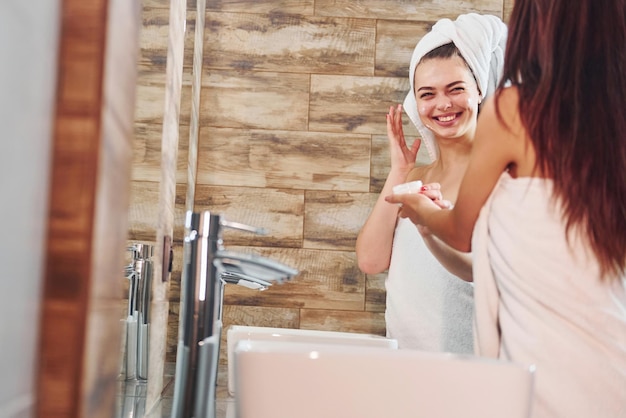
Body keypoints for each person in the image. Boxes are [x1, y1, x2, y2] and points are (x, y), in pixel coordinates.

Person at [386, 0, 626, 416]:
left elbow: (462, 232)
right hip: (612, 347)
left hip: (541, 359)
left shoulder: (515, 111)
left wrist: (422, 212)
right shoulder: (614, 119)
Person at [355, 13, 507, 352]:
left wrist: (428, 224)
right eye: (427, 94)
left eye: (456, 89)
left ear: (479, 90)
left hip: (467, 372)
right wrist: (399, 172)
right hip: (405, 370)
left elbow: (486, 274)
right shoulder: (416, 178)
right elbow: (371, 260)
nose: (442, 104)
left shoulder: (498, 180)